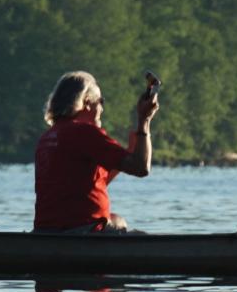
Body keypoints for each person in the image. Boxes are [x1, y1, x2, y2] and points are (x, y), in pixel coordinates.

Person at [34, 70, 158, 233]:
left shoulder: (48, 136)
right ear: (86, 102)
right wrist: (144, 120)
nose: (102, 109)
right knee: (138, 235)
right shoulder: (84, 132)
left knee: (116, 220)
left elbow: (81, 185)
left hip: (46, 231)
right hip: (82, 230)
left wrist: (126, 155)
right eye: (101, 101)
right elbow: (141, 168)